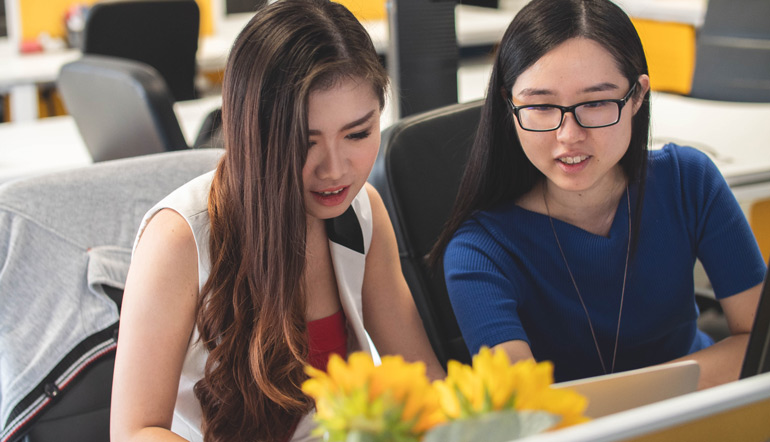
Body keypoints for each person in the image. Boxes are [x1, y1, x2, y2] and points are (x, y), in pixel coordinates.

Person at [110, 1, 443, 441]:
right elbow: (136, 431)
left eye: (358, 134)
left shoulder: (363, 212)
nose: (335, 170)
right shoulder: (179, 239)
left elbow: (423, 382)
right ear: (254, 132)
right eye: (304, 142)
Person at [432, 0, 766, 389]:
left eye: (594, 103)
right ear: (509, 105)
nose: (569, 136)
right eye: (540, 106)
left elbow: (758, 344)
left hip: (701, 412)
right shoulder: (479, 250)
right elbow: (524, 406)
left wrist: (636, 401)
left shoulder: (689, 181)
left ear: (637, 96)